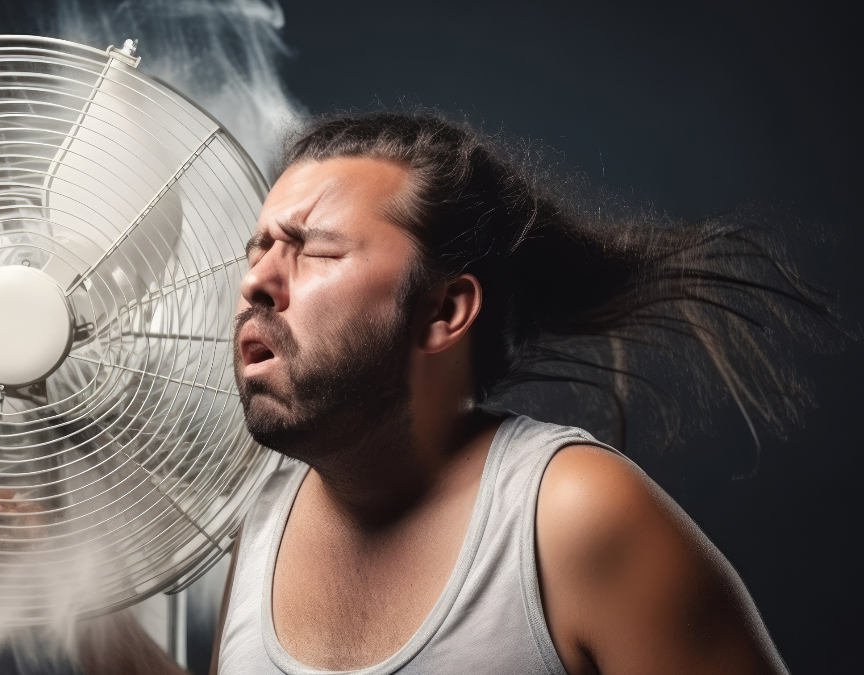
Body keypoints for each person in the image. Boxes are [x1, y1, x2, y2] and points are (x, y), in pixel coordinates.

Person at [96, 111, 832, 675]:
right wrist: (80, 613)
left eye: (314, 248)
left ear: (445, 312)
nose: (256, 280)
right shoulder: (263, 521)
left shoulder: (573, 516)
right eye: (258, 249)